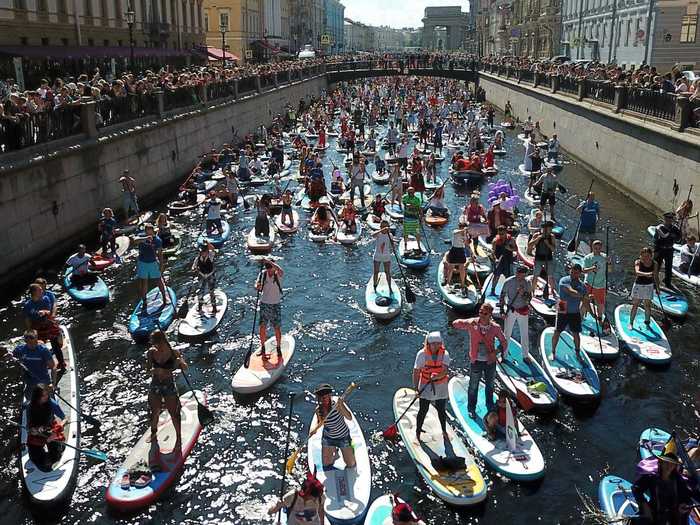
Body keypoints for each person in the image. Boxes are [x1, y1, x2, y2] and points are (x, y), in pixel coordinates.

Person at [452, 304, 508, 419]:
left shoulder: (495, 328)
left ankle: (489, 405)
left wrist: (496, 352)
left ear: (490, 315)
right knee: (473, 386)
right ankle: (471, 408)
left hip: (490, 362)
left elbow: (504, 342)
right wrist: (465, 322)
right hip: (476, 361)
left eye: (485, 313)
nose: (481, 315)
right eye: (480, 312)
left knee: (490, 385)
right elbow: (456, 323)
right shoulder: (473, 323)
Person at [146, 330, 187, 456]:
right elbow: (147, 370)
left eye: (158, 344)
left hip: (169, 385)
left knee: (174, 412)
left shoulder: (174, 352)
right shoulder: (151, 353)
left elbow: (185, 367)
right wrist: (154, 371)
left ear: (163, 341)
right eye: (154, 344)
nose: (156, 346)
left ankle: (179, 437)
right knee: (154, 411)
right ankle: (153, 433)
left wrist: (180, 362)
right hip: (156, 384)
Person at [632, 447, 694, 525]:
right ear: (660, 463)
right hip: (654, 512)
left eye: (672, 464)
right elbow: (636, 489)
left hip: (674, 515)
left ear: (675, 466)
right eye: (666, 462)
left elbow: (687, 497)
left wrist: (683, 505)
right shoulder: (651, 477)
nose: (669, 466)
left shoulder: (679, 481)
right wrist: (644, 506)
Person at [412, 332, 450, 442]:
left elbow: (445, 371)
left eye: (438, 343)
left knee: (441, 410)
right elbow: (416, 372)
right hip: (425, 385)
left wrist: (437, 376)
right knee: (423, 410)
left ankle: (444, 431)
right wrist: (416, 389)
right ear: (428, 344)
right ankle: (418, 432)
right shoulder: (421, 354)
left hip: (441, 386)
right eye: (433, 344)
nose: (435, 346)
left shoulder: (445, 354)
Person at [550, 264, 589, 360]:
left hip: (575, 311)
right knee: (557, 331)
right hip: (562, 307)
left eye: (576, 273)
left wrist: (592, 313)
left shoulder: (583, 286)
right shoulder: (564, 280)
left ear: (580, 274)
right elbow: (571, 292)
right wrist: (583, 296)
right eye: (572, 272)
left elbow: (585, 301)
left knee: (576, 333)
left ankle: (577, 352)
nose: (573, 274)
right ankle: (553, 352)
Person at [314, 383, 356, 470]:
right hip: (328, 438)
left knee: (351, 464)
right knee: (326, 464)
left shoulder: (336, 404)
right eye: (321, 398)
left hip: (343, 437)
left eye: (325, 397)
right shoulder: (318, 410)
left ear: (329, 396)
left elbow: (349, 417)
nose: (323, 400)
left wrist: (341, 405)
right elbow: (319, 423)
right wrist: (314, 429)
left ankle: (344, 450)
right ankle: (333, 450)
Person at [23, 284, 65, 370]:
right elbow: (27, 319)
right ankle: (41, 365)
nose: (42, 291)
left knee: (55, 344)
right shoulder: (28, 305)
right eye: (40, 290)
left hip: (47, 322)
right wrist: (29, 330)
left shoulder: (46, 299)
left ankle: (61, 363)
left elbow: (49, 311)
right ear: (34, 292)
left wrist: (44, 312)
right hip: (37, 325)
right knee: (37, 346)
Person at [25, 384, 66, 471]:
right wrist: (32, 431)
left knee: (56, 454)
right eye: (43, 395)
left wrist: (55, 432)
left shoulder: (51, 403)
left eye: (47, 394)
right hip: (37, 431)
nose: (46, 397)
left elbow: (65, 419)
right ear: (37, 396)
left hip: (50, 429)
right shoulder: (30, 406)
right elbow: (28, 426)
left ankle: (58, 445)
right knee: (36, 458)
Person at [498, 266, 533, 359]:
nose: (520, 277)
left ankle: (525, 355)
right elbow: (502, 296)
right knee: (507, 333)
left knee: (524, 334)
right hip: (511, 310)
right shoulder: (508, 282)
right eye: (518, 274)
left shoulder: (527, 283)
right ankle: (504, 355)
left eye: (522, 275)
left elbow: (529, 299)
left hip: (523, 310)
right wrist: (502, 311)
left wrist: (523, 294)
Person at [134, 223, 167, 314]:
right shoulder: (141, 237)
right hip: (142, 263)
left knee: (158, 280)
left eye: (150, 231)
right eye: (147, 231)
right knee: (144, 282)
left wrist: (161, 264)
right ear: (145, 231)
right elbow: (134, 241)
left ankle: (164, 297)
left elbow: (160, 253)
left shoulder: (157, 240)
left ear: (153, 231)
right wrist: (145, 239)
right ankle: (144, 301)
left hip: (153, 263)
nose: (149, 233)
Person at [13, 330, 56, 395]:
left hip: (43, 382)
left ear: (36, 338)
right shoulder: (19, 349)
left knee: (45, 402)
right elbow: (12, 357)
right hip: (29, 382)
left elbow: (53, 367)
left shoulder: (43, 350)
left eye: (31, 337)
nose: (29, 340)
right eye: (26, 338)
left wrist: (52, 384)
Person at [256, 259, 284, 357]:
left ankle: (278, 348)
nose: (268, 269)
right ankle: (263, 348)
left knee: (277, 327)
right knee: (262, 327)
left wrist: (269, 262)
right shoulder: (263, 274)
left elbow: (281, 270)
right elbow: (257, 285)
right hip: (264, 304)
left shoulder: (278, 274)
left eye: (270, 267)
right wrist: (257, 286)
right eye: (267, 267)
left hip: (275, 304)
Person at [629, 247, 659, 328]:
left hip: (649, 286)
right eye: (644, 256)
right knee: (635, 304)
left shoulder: (655, 263)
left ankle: (647, 323)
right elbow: (637, 272)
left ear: (651, 256)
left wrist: (658, 288)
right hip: (638, 285)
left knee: (647, 306)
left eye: (648, 256)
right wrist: (648, 274)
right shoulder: (638, 262)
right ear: (641, 256)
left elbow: (656, 276)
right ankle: (631, 323)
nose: (646, 258)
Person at [581, 240, 609, 323]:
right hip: (589, 283)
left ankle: (600, 318)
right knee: (585, 301)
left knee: (600, 303)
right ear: (592, 248)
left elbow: (610, 270)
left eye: (599, 248)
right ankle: (580, 318)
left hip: (601, 284)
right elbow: (584, 270)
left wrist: (609, 263)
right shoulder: (588, 258)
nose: (597, 250)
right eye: (595, 248)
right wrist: (592, 268)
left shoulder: (605, 257)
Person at [528, 220, 557, 300]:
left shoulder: (551, 237)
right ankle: (532, 291)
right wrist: (538, 239)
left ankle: (553, 291)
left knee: (550, 276)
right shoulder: (537, 235)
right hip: (538, 258)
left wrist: (548, 244)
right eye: (548, 229)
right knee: (535, 275)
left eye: (550, 229)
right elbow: (530, 245)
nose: (549, 230)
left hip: (548, 259)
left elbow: (554, 249)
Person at [653, 212, 682, 289]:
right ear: (665, 219)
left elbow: (679, 240)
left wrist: (675, 237)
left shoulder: (675, 229)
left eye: (670, 219)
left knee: (669, 267)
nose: (669, 220)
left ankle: (667, 282)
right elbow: (655, 239)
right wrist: (656, 251)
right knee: (657, 266)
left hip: (669, 249)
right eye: (667, 218)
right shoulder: (659, 228)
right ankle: (654, 282)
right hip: (660, 249)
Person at [192, 241, 217, 312]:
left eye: (204, 251)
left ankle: (214, 308)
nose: (202, 253)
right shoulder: (198, 258)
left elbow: (213, 249)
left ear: (207, 251)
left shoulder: (210, 255)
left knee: (211, 292)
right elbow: (193, 267)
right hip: (201, 276)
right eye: (201, 252)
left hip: (210, 275)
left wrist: (208, 243)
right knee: (200, 291)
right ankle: (200, 306)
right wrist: (194, 269)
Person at [491, 226, 517, 293]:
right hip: (499, 260)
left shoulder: (511, 240)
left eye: (502, 234)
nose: (501, 236)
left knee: (508, 276)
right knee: (496, 276)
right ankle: (493, 289)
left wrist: (510, 248)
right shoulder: (495, 241)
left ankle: (508, 291)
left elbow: (516, 249)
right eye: (499, 234)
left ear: (505, 232)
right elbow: (492, 252)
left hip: (508, 260)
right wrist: (495, 259)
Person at [372, 220, 394, 293]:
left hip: (386, 256)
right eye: (383, 226)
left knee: (387, 272)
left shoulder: (390, 235)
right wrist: (382, 230)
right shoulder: (378, 234)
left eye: (386, 227)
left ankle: (390, 288)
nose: (385, 228)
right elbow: (373, 235)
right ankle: (374, 286)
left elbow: (392, 244)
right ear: (380, 227)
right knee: (376, 272)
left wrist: (393, 246)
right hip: (377, 256)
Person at [402, 187, 424, 255]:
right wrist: (409, 206)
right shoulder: (405, 197)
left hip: (415, 219)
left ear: (414, 192)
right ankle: (405, 246)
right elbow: (405, 204)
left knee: (417, 233)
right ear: (407, 192)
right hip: (407, 219)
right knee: (406, 233)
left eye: (412, 192)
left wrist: (421, 217)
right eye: (409, 192)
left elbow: (419, 208)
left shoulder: (417, 199)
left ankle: (419, 246)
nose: (410, 193)